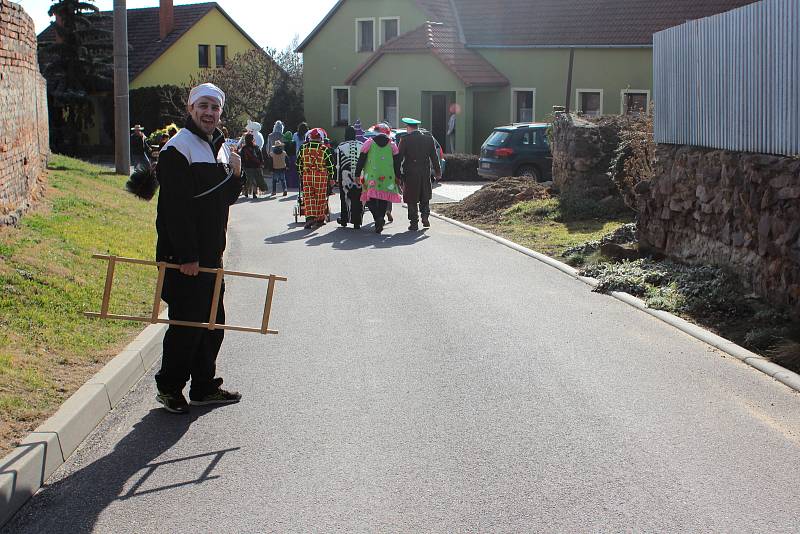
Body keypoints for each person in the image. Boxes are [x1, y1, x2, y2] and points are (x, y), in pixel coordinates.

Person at [154, 82, 244, 413]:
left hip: (210, 254)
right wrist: (186, 257)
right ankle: (169, 387)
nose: (209, 112)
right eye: (202, 106)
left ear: (220, 112)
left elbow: (224, 199)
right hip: (184, 257)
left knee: (212, 323)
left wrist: (236, 174)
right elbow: (174, 210)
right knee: (186, 326)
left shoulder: (217, 148)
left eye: (214, 107)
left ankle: (205, 386)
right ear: (191, 109)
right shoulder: (178, 148)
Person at [355, 123, 402, 234]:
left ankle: (377, 218)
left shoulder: (369, 143)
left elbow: (361, 159)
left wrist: (357, 174)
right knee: (383, 198)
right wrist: (398, 176)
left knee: (369, 198)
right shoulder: (392, 145)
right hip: (388, 176)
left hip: (371, 176)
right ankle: (380, 217)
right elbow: (397, 162)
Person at [398, 117, 442, 231]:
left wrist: (397, 175)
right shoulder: (428, 139)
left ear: (408, 127)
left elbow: (399, 158)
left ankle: (414, 223)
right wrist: (438, 172)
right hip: (425, 172)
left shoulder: (405, 139)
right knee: (424, 195)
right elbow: (434, 157)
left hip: (410, 173)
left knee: (411, 198)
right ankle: (425, 216)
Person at [296, 127, 334, 229]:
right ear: (320, 138)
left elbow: (298, 163)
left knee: (308, 197)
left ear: (310, 138)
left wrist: (301, 173)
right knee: (320, 198)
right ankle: (320, 219)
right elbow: (330, 165)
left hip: (307, 176)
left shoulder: (303, 148)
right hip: (320, 177)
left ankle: (310, 217)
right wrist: (332, 177)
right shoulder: (324, 149)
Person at [335, 126, 363, 229]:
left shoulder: (340, 146)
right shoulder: (362, 145)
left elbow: (338, 165)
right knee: (359, 197)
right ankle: (357, 221)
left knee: (345, 197)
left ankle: (344, 220)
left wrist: (337, 179)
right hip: (360, 174)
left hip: (344, 175)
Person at [241, 132, 267, 198]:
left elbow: (242, 158)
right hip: (256, 166)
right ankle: (254, 194)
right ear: (252, 139)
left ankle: (246, 192)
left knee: (248, 180)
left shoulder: (244, 148)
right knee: (255, 180)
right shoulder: (256, 147)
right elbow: (260, 156)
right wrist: (261, 163)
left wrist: (243, 165)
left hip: (247, 167)